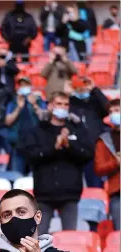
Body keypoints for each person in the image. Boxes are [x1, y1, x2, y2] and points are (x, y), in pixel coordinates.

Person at [21, 92, 94, 233]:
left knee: (70, 239)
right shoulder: (38, 130)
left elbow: (88, 154)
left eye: (66, 104)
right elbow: (31, 155)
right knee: (40, 240)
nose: (63, 107)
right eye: (59, 104)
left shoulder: (77, 129)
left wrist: (68, 146)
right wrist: (54, 147)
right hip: (44, 193)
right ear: (50, 106)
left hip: (70, 193)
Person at [68, 76, 109, 189]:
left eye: (85, 86)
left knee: (95, 188)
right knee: (72, 189)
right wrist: (68, 92)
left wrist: (94, 89)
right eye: (79, 87)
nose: (83, 89)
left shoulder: (95, 104)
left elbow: (108, 108)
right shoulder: (70, 104)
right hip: (75, 152)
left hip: (94, 153)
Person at [5, 77, 46, 174]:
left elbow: (44, 118)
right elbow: (8, 121)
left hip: (36, 144)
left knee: (36, 175)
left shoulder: (39, 101)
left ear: (31, 86)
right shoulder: (13, 102)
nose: (23, 87)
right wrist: (19, 107)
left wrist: (35, 105)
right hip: (18, 144)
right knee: (17, 175)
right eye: (21, 85)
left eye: (26, 85)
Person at [95, 99, 120, 231]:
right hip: (117, 193)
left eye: (117, 111)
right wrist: (115, 163)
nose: (113, 114)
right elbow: (99, 168)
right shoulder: (104, 140)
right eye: (111, 112)